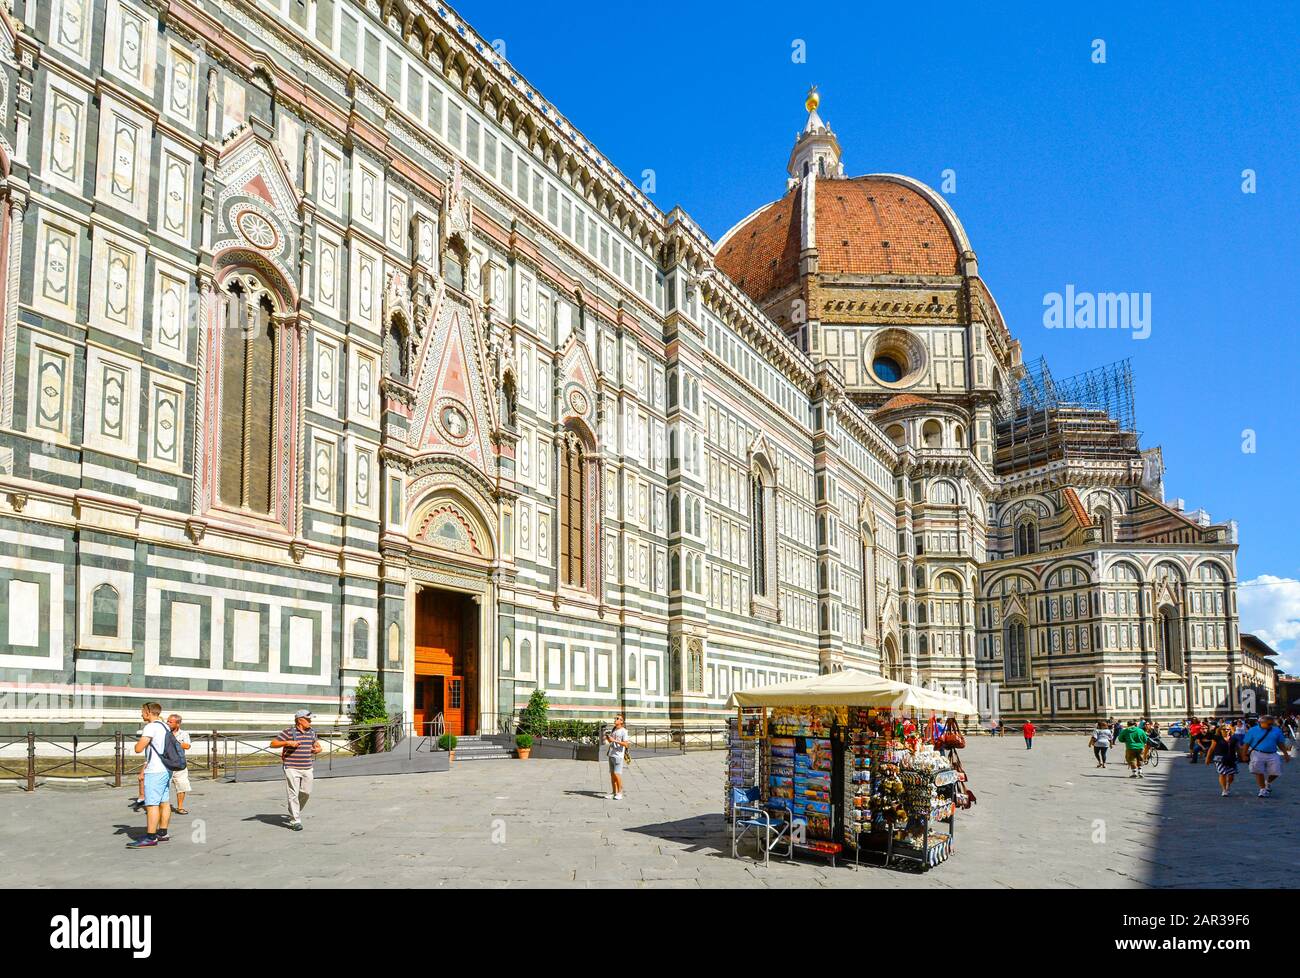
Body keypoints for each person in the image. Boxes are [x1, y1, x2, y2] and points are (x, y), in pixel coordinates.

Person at [126, 703, 174, 849]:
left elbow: (138, 748)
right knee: (164, 802)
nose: (141, 715)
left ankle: (151, 837)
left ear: (148, 712)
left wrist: (139, 744)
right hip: (167, 769)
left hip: (155, 770)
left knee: (152, 804)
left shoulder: (150, 727)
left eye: (142, 712)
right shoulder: (165, 726)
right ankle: (163, 832)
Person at [270, 709, 321, 830]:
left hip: (307, 767)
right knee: (293, 793)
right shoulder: (288, 732)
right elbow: (272, 744)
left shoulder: (312, 732)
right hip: (291, 767)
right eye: (308, 719)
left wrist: (318, 749)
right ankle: (295, 820)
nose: (310, 721)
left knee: (306, 792)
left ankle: (293, 810)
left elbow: (317, 746)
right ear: (300, 720)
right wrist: (288, 742)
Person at [1241, 714, 1291, 798]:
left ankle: (1267, 782)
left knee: (1276, 771)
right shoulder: (1253, 730)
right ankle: (1262, 789)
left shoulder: (1276, 730)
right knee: (1258, 771)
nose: (1270, 726)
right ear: (1261, 723)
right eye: (1269, 724)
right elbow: (1246, 743)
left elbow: (1280, 743)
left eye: (1272, 724)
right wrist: (1244, 754)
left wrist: (1285, 754)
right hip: (1257, 753)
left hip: (1272, 753)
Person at [1206, 722, 1243, 797]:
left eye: (1228, 729)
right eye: (1224, 729)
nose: (1226, 730)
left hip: (1231, 758)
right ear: (1220, 730)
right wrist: (1208, 758)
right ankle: (1224, 789)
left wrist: (1242, 756)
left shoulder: (1234, 738)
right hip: (1220, 759)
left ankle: (1228, 784)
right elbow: (1211, 749)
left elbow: (1239, 748)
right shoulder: (1216, 738)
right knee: (1222, 773)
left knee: (1231, 775)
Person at [167, 713, 192, 814]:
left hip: (179, 763)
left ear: (178, 724)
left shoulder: (184, 734)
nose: (167, 723)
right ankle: (162, 807)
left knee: (182, 785)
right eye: (167, 721)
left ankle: (180, 807)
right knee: (164, 786)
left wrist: (175, 742)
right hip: (166, 763)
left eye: (170, 722)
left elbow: (187, 746)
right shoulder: (164, 732)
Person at [603, 714, 630, 800]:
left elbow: (626, 744)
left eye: (617, 718)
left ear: (621, 721)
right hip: (611, 754)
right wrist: (608, 738)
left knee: (617, 774)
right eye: (615, 718)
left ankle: (620, 792)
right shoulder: (614, 730)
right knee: (612, 775)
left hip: (618, 755)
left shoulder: (624, 731)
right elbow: (611, 742)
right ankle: (614, 792)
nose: (615, 719)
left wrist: (614, 740)